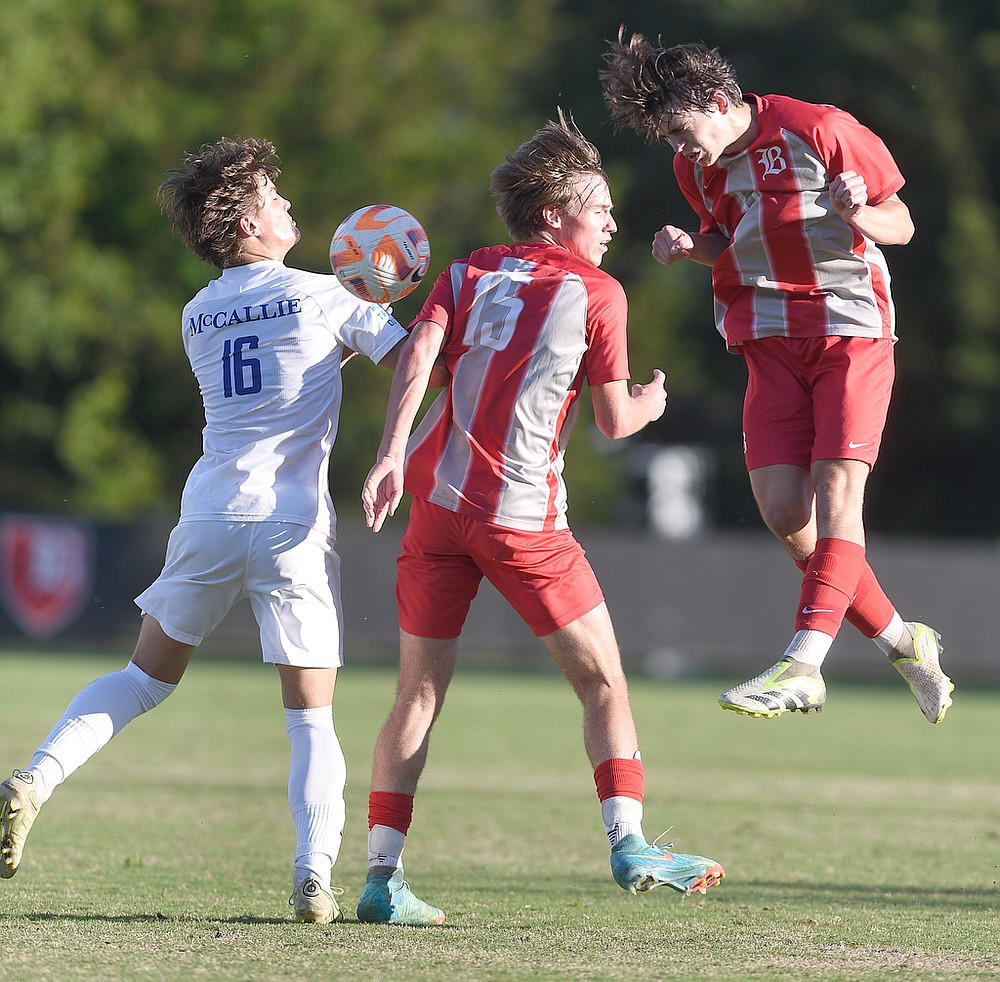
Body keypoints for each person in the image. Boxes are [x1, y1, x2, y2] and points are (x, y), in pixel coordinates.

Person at [0, 137, 414, 924]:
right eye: (276, 196)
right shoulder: (325, 295)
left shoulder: (198, 312)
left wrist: (354, 310)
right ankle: (311, 876)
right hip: (291, 521)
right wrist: (393, 302)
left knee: (144, 679)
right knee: (311, 716)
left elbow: (281, 371)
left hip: (210, 512)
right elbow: (411, 358)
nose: (291, 206)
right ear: (251, 223)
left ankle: (33, 779)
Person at [354, 110, 725, 927]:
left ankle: (382, 878)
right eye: (600, 210)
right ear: (555, 214)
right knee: (602, 682)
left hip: (436, 510)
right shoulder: (598, 293)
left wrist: (386, 456)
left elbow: (419, 356)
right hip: (523, 521)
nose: (612, 223)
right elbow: (614, 424)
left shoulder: (465, 273)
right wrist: (653, 402)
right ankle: (629, 844)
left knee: (417, 693)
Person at [600, 32, 954, 721]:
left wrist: (861, 211)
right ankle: (903, 640)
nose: (680, 148)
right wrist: (689, 250)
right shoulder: (696, 171)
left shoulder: (820, 128)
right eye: (668, 139)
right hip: (766, 340)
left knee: (834, 491)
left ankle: (803, 666)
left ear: (719, 99)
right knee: (787, 513)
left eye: (681, 130)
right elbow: (735, 244)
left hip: (849, 330)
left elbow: (902, 225)